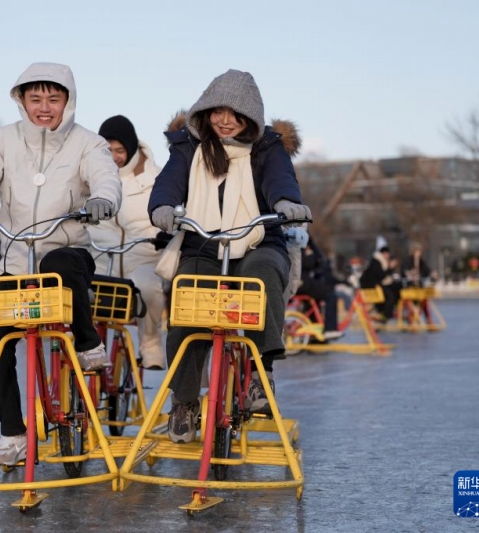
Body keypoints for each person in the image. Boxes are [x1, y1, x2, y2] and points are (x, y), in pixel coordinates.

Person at [0, 62, 122, 465]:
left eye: (54, 98)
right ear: (22, 101)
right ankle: (13, 433)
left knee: (62, 264)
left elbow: (106, 176)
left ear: (68, 101)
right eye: (36, 98)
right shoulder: (2, 140)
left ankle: (86, 342)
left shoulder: (87, 142)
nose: (44, 107)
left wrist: (102, 198)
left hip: (67, 248)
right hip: (17, 258)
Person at [148, 69, 311, 443]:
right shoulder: (189, 146)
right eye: (218, 112)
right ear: (205, 111)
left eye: (236, 114)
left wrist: (286, 202)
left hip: (257, 241)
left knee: (263, 274)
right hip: (203, 245)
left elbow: (279, 179)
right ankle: (185, 400)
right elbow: (170, 181)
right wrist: (163, 206)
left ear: (250, 118)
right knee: (188, 298)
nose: (225, 121)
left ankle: (259, 372)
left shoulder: (267, 147)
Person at [88, 115, 167, 370]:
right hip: (101, 259)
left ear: (131, 148)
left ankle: (151, 346)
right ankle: (85, 348)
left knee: (148, 286)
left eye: (119, 150)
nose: (114, 157)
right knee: (75, 289)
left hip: (142, 256)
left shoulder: (156, 179)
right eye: (107, 150)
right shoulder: (89, 178)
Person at [296, 238, 343, 340]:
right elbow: (310, 262)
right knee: (331, 296)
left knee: (316, 300)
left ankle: (315, 336)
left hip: (301, 284)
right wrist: (313, 255)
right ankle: (330, 329)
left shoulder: (294, 239)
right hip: (303, 284)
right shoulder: (301, 246)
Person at [359, 246, 400, 321]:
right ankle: (386, 315)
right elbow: (381, 275)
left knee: (394, 290)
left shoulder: (379, 262)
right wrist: (390, 268)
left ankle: (386, 313)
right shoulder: (377, 262)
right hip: (372, 288)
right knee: (389, 296)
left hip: (375, 286)